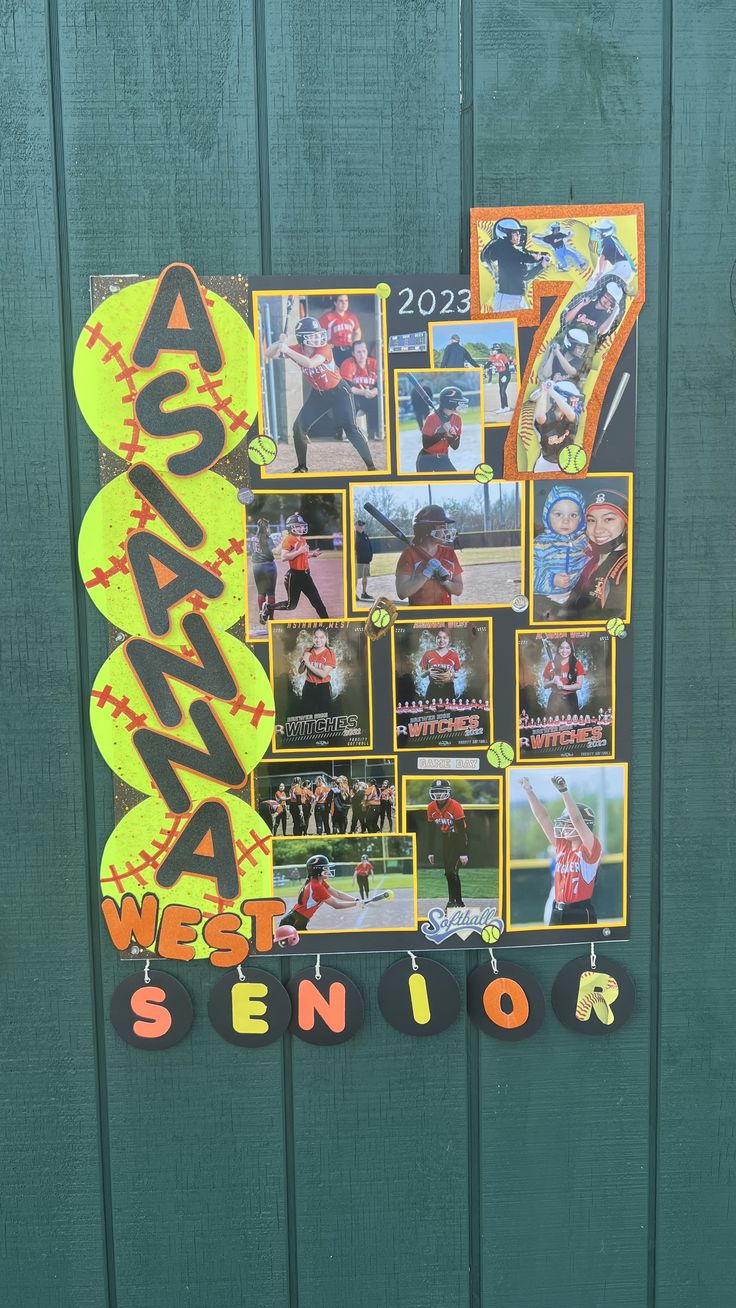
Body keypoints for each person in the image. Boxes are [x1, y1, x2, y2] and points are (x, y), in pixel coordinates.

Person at [264, 317, 375, 473]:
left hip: (339, 392)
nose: (317, 337)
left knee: (350, 428)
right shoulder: (297, 349)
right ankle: (302, 467)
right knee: (299, 428)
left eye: (318, 334)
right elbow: (269, 353)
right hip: (319, 394)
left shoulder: (324, 348)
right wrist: (279, 343)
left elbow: (310, 363)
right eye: (312, 335)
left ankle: (371, 466)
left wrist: (286, 349)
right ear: (302, 338)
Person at [518, 774, 602, 925]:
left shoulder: (591, 848)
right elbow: (543, 818)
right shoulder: (563, 846)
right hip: (557, 910)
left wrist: (564, 791)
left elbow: (577, 819)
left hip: (580, 912)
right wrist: (529, 791)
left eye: (567, 824)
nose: (563, 827)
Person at [562, 488, 629, 619]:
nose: (598, 529)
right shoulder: (587, 561)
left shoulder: (626, 569)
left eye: (608, 519)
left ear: (626, 524)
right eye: (591, 520)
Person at [533, 485, 590, 612]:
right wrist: (552, 579)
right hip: (545, 599)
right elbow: (529, 574)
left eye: (573, 515)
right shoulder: (540, 544)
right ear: (547, 515)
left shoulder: (582, 542)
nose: (566, 521)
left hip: (573, 600)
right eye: (558, 514)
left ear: (581, 519)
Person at [395, 505, 463, 606]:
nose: (445, 532)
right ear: (427, 530)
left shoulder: (449, 553)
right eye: (441, 527)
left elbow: (459, 590)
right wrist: (425, 575)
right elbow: (402, 592)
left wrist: (445, 582)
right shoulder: (409, 555)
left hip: (445, 617)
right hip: (420, 617)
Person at [268, 512, 329, 621]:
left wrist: (311, 555)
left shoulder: (302, 539)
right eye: (298, 526)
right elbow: (284, 557)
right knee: (291, 605)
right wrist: (300, 551)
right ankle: (268, 607)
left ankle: (328, 625)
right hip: (294, 577)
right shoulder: (289, 539)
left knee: (318, 602)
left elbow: (302, 556)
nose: (301, 528)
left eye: (301, 526)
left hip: (306, 576)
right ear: (291, 527)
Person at [480, 217, 549, 310]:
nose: (519, 236)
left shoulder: (511, 252)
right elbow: (524, 257)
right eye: (515, 233)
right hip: (506, 298)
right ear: (505, 234)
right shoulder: (502, 248)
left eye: (518, 233)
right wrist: (539, 257)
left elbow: (525, 276)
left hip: (519, 298)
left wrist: (541, 265)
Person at [279, 854, 359, 932]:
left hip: (297, 920)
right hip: (293, 922)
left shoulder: (320, 882)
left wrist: (356, 900)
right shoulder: (317, 886)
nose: (328, 870)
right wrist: (356, 904)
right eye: (326, 868)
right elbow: (336, 905)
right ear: (317, 870)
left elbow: (337, 894)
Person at [426, 778, 468, 910]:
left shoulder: (455, 805)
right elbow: (431, 831)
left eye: (441, 790)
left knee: (451, 871)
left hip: (458, 839)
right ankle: (458, 902)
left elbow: (462, 831)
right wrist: (431, 851)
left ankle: (453, 902)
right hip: (446, 839)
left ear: (448, 791)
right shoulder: (431, 807)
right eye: (436, 791)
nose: (438, 793)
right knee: (450, 872)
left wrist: (463, 852)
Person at [532, 379, 584, 472]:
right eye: (572, 399)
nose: (575, 403)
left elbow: (570, 414)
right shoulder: (548, 416)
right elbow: (540, 417)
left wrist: (552, 392)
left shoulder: (570, 416)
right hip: (545, 465)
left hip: (567, 465)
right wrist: (544, 392)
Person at [416, 386, 466, 473]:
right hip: (426, 459)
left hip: (443, 458)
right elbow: (426, 444)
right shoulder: (432, 418)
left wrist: (452, 436)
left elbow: (455, 446)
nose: (461, 405)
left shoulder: (457, 419)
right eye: (458, 402)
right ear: (450, 403)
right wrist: (442, 431)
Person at [562, 279, 625, 343]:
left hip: (582, 344)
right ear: (603, 293)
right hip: (568, 335)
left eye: (611, 300)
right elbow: (567, 320)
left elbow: (601, 331)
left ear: (613, 304)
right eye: (607, 296)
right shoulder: (587, 303)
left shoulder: (606, 316)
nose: (607, 300)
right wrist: (581, 305)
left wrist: (614, 312)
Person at [340, 340, 380, 440]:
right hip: (355, 395)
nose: (362, 354)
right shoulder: (348, 363)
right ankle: (350, 433)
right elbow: (346, 387)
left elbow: (381, 385)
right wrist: (363, 392)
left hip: (370, 395)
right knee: (347, 401)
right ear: (353, 353)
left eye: (364, 351)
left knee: (379, 402)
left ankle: (375, 432)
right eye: (358, 352)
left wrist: (374, 391)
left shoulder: (374, 363)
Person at [543, 637, 585, 718]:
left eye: (567, 648)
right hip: (554, 699)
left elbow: (579, 685)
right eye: (561, 648)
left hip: (571, 699)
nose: (564, 650)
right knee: (553, 727)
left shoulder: (577, 664)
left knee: (572, 726)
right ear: (558, 649)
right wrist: (552, 682)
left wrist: (563, 686)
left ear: (571, 649)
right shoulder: (551, 664)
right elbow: (544, 685)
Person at [299, 627, 336, 717]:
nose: (318, 640)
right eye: (316, 637)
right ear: (313, 638)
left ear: (326, 638)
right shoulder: (307, 651)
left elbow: (323, 674)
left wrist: (307, 663)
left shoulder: (330, 653)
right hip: (308, 686)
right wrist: (304, 661)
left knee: (324, 715)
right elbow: (300, 671)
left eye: (321, 637)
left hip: (323, 688)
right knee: (307, 714)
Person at [587, 219, 635, 288]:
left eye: (598, 232)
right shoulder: (610, 240)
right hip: (624, 268)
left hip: (622, 268)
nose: (596, 233)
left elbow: (603, 258)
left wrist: (600, 273)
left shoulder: (607, 241)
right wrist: (601, 272)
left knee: (598, 282)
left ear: (605, 233)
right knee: (605, 284)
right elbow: (605, 257)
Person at [419, 626, 462, 702]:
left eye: (444, 637)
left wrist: (451, 674)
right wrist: (428, 672)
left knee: (450, 712)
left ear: (448, 639)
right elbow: (421, 676)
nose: (441, 640)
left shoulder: (454, 655)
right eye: (439, 637)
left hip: (448, 689)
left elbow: (458, 675)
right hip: (433, 688)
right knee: (430, 712)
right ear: (435, 639)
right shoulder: (428, 654)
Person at [319, 294, 362, 366]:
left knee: (348, 372)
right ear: (335, 303)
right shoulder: (328, 317)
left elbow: (358, 332)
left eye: (346, 301)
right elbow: (318, 333)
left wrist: (354, 345)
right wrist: (326, 346)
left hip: (349, 350)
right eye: (341, 301)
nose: (344, 303)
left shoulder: (352, 317)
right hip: (334, 350)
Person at [251, 518, 278, 625]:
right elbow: (275, 552)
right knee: (271, 593)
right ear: (266, 527)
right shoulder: (268, 539)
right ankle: (271, 619)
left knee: (261, 593)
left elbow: (252, 552)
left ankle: (261, 614)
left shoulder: (253, 539)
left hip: (256, 567)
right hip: (268, 567)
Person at [487, 345, 513, 412]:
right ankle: (506, 407)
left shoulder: (502, 356)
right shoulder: (492, 357)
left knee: (502, 391)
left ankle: (502, 408)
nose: (492, 351)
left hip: (506, 374)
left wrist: (505, 376)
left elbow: (507, 366)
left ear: (497, 350)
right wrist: (479, 367)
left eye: (493, 350)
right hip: (501, 374)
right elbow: (487, 365)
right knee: (501, 391)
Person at [354, 518, 374, 601]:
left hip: (366, 561)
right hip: (358, 562)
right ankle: (353, 594)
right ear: (356, 526)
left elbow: (370, 547)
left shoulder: (365, 536)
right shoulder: (354, 536)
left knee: (365, 578)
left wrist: (370, 556)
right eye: (359, 525)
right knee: (355, 578)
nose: (361, 527)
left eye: (362, 525)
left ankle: (364, 593)